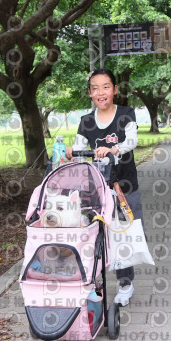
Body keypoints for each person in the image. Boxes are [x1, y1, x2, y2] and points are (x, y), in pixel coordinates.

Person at [66, 68, 143, 307]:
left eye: (106, 87)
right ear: (90, 93)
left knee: (123, 236)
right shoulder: (86, 121)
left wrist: (113, 149)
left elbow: (132, 140)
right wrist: (72, 152)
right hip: (96, 190)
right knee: (92, 236)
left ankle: (125, 284)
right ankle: (90, 283)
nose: (101, 93)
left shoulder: (126, 114)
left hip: (124, 188)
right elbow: (79, 148)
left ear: (115, 90)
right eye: (95, 88)